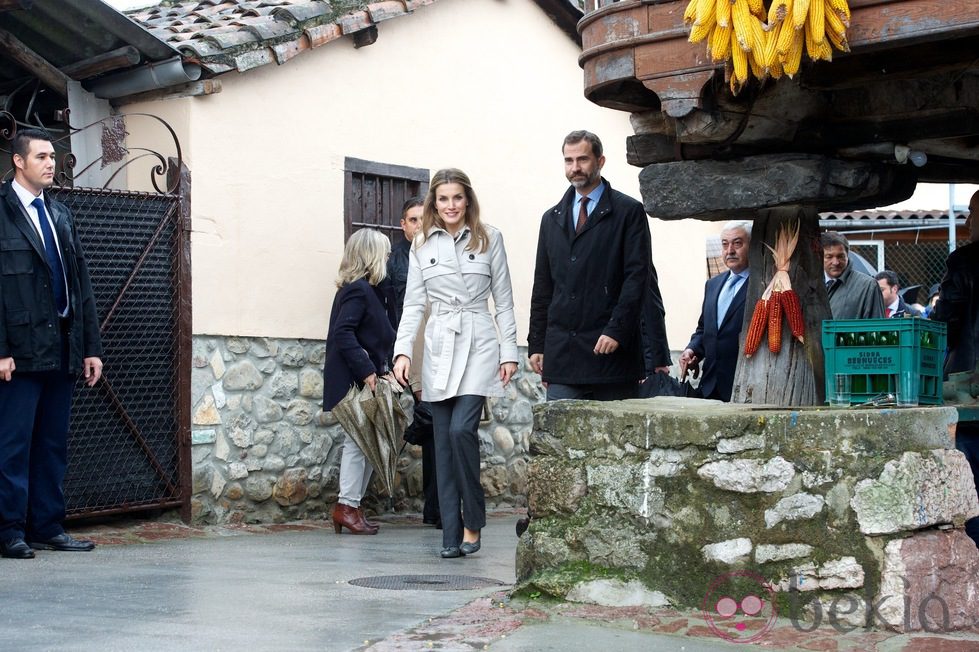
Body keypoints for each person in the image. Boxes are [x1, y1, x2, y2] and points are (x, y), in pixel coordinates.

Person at [393, 168, 518, 559]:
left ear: (468, 200)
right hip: (440, 344)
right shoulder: (421, 245)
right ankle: (450, 531)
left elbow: (505, 299)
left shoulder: (489, 237)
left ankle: (472, 520)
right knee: (442, 440)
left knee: (462, 430)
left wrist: (509, 351)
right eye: (443, 199)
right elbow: (414, 304)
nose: (450, 205)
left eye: (457, 198)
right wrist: (402, 351)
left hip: (479, 340)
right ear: (434, 202)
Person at [0, 128, 103, 559]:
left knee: (52, 443)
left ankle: (47, 525)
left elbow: (80, 284)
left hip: (61, 348)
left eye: (53, 157)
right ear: (18, 162)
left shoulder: (60, 214)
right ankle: (9, 531)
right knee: (13, 445)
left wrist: (90, 347)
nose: (50, 163)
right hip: (18, 351)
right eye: (41, 156)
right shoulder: (1, 211)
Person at [529, 130, 657, 401]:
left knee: (617, 442)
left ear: (600, 161)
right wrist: (537, 344)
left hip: (611, 356)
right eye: (568, 160)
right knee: (557, 441)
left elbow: (637, 278)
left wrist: (616, 330)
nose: (575, 168)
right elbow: (543, 287)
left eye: (582, 159)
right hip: (564, 357)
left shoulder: (628, 212)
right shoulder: (551, 219)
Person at [323, 228, 398, 535]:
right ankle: (347, 507)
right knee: (359, 444)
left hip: (364, 379)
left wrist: (384, 368)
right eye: (386, 252)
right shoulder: (358, 290)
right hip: (353, 382)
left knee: (366, 444)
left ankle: (350, 507)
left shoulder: (372, 291)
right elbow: (344, 333)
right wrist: (368, 372)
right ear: (372, 255)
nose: (390, 258)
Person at [386, 196, 440, 528]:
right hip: (412, 352)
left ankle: (436, 506)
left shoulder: (436, 253)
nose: (418, 225)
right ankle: (436, 506)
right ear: (403, 225)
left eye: (423, 219)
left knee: (437, 428)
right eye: (412, 219)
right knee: (431, 424)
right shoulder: (398, 260)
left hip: (437, 349)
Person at [932, 189, 979, 546]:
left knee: (974, 491)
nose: (966, 222)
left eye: (971, 214)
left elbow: (945, 321)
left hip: (971, 388)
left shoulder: (966, 261)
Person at [678, 221, 752, 402]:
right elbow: (704, 329)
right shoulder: (713, 284)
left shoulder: (763, 287)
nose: (730, 251)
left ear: (752, 245)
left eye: (737, 243)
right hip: (709, 386)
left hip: (744, 387)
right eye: (725, 244)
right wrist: (691, 350)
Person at [821, 231, 885, 319]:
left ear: (847, 255)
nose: (835, 262)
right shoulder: (809, 285)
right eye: (829, 257)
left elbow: (876, 327)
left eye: (840, 256)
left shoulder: (867, 286)